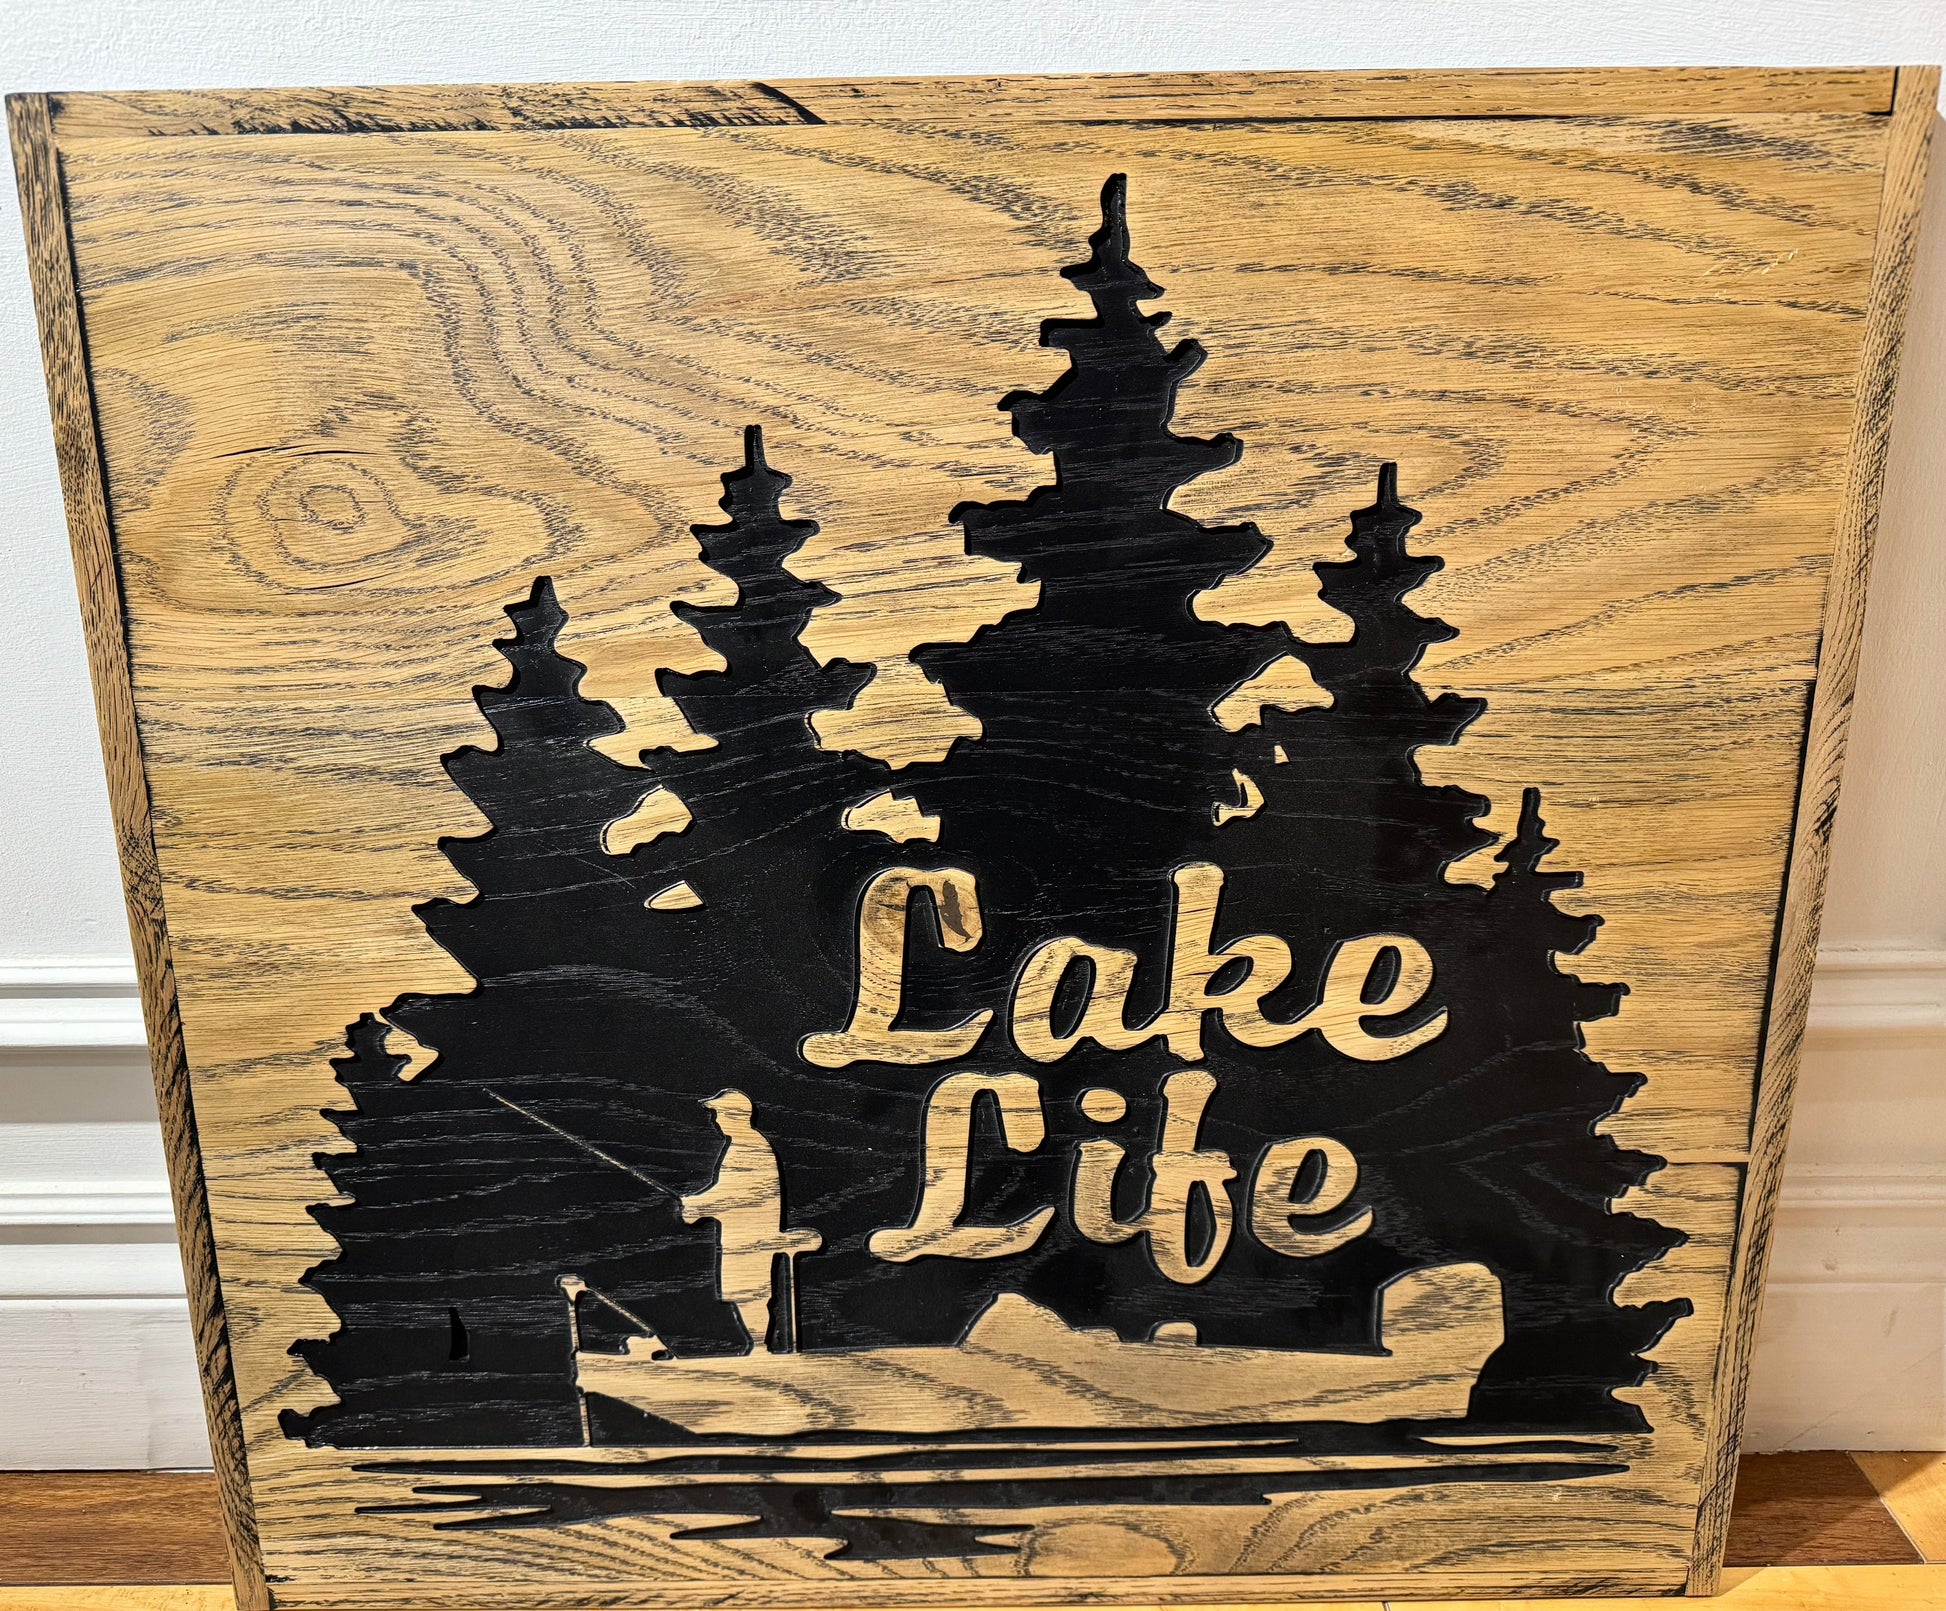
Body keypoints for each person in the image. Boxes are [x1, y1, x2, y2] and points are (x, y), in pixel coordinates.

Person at [680, 1089, 822, 1352]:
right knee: (743, 1296)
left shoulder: (749, 1148)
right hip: (740, 1237)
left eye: (720, 1114)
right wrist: (700, 1205)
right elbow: (729, 1192)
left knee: (751, 1296)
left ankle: (759, 1347)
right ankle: (758, 1345)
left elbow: (739, 1196)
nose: (717, 1120)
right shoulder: (741, 1146)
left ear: (735, 1115)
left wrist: (699, 1205)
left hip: (752, 1238)